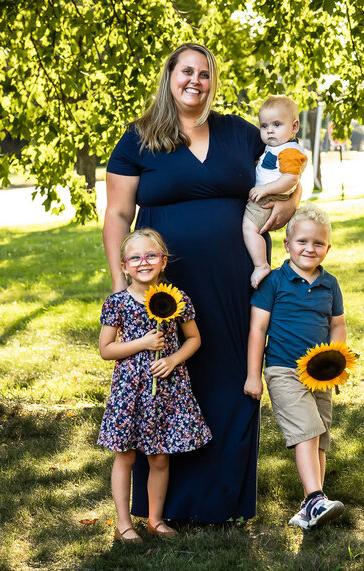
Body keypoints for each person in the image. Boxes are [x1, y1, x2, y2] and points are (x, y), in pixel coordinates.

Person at [102, 42, 300, 523]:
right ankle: (163, 508)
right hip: (163, 289)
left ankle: (225, 501)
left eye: (205, 73)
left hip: (236, 281)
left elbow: (288, 176)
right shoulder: (139, 138)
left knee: (232, 381)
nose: (196, 80)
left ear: (213, 81)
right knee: (166, 388)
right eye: (186, 71)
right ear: (169, 76)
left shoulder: (239, 132)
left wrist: (288, 208)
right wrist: (120, 289)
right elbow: (118, 214)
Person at [98, 228, 212, 543]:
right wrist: (142, 342)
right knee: (125, 454)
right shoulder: (117, 302)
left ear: (163, 262)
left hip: (168, 388)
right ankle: (124, 524)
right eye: (135, 258)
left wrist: (174, 359)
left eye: (151, 256)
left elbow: (194, 339)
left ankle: (155, 520)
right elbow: (106, 350)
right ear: (124, 267)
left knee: (160, 456)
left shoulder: (176, 299)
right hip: (130, 390)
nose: (143, 262)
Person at [244, 204, 346, 529]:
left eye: (318, 243)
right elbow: (257, 330)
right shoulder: (274, 282)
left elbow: (337, 324)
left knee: (320, 436)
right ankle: (316, 498)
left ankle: (310, 505)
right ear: (287, 245)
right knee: (307, 430)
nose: (309, 248)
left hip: (320, 375)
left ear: (327, 248)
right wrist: (253, 375)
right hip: (283, 370)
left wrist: (337, 356)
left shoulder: (330, 285)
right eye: (302, 241)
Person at [243, 95, 309, 289]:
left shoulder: (289, 151)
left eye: (277, 124)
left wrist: (265, 188)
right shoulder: (275, 147)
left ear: (294, 127)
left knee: (249, 228)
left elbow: (291, 179)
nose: (269, 130)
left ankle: (261, 264)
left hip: (270, 197)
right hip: (267, 193)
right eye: (264, 126)